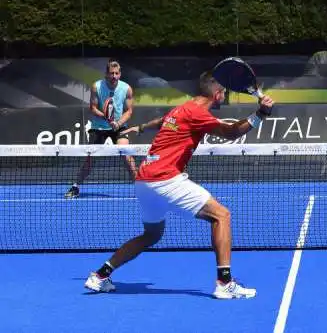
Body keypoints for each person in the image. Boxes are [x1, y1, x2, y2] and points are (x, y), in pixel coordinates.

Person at [83, 71, 274, 299]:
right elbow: (231, 132)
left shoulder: (182, 108)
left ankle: (100, 276)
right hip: (165, 178)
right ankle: (225, 283)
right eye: (225, 91)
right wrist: (261, 113)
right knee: (221, 215)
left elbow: (163, 121)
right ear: (217, 93)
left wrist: (141, 128)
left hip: (144, 180)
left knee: (151, 235)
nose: (226, 96)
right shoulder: (198, 113)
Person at [65, 59, 137, 198]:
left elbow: (129, 111)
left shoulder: (126, 88)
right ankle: (75, 187)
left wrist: (118, 123)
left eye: (116, 73)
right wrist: (108, 119)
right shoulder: (96, 87)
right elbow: (92, 108)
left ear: (120, 74)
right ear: (106, 74)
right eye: (111, 73)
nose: (114, 76)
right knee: (91, 160)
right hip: (99, 127)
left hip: (120, 127)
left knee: (127, 157)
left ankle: (141, 189)